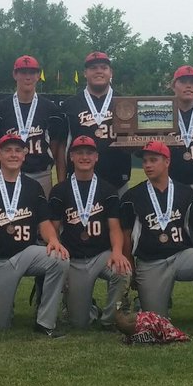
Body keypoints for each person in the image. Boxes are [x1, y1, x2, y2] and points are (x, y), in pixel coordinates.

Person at [0, 133, 69, 337]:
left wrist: (54, 240)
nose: (13, 154)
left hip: (25, 255)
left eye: (18, 150)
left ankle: (45, 322)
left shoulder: (33, 186)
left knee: (60, 258)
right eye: (8, 150)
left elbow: (44, 222)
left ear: (24, 155)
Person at [120, 141, 193, 340]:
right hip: (150, 262)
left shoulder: (185, 192)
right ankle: (146, 304)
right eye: (145, 161)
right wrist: (131, 267)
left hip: (180, 255)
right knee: (156, 321)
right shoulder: (132, 196)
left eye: (153, 160)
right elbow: (125, 236)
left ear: (167, 161)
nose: (148, 165)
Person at [47, 135, 131, 330]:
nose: (84, 157)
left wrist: (117, 252)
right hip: (74, 258)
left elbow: (114, 228)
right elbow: (52, 227)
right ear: (71, 157)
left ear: (96, 157)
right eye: (79, 153)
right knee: (79, 323)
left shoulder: (108, 189)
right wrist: (61, 262)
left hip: (101, 255)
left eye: (89, 153)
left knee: (123, 270)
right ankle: (87, 308)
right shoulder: (60, 190)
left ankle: (109, 319)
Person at [0, 55, 66, 197]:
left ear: (38, 76)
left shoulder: (50, 108)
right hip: (9, 174)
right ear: (15, 74)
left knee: (41, 216)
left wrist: (46, 164)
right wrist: (2, 167)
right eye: (23, 72)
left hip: (41, 174)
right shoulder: (1, 108)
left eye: (32, 72)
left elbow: (55, 143)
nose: (27, 77)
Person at [60, 51, 133, 194]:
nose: (99, 71)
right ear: (85, 73)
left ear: (111, 72)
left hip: (117, 181)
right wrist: (62, 182)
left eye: (103, 67)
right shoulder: (70, 105)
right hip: (79, 182)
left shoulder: (126, 103)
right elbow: (62, 146)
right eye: (93, 68)